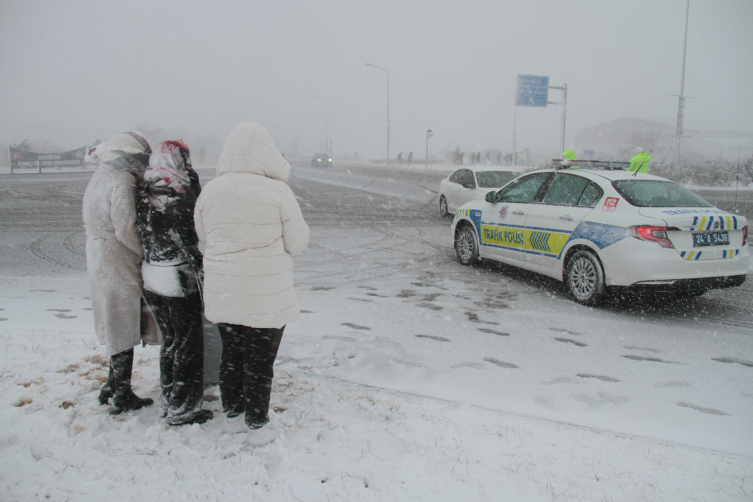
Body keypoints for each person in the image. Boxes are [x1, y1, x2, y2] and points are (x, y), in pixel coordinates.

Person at [194, 123, 309, 446]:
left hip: (225, 291)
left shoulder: (210, 191)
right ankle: (257, 425)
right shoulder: (277, 192)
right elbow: (297, 242)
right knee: (259, 362)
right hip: (265, 296)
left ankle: (233, 417)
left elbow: (204, 237)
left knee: (231, 354)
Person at [137, 140, 213, 426]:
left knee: (170, 341)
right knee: (188, 345)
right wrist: (193, 181)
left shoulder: (145, 187)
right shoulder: (178, 190)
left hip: (152, 276)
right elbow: (197, 225)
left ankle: (169, 398)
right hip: (177, 278)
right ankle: (184, 409)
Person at [82, 132, 155, 414]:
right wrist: (145, 253)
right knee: (123, 321)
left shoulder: (101, 174)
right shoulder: (122, 180)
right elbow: (126, 228)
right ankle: (121, 393)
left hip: (99, 254)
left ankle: (113, 384)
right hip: (117, 257)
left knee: (112, 320)